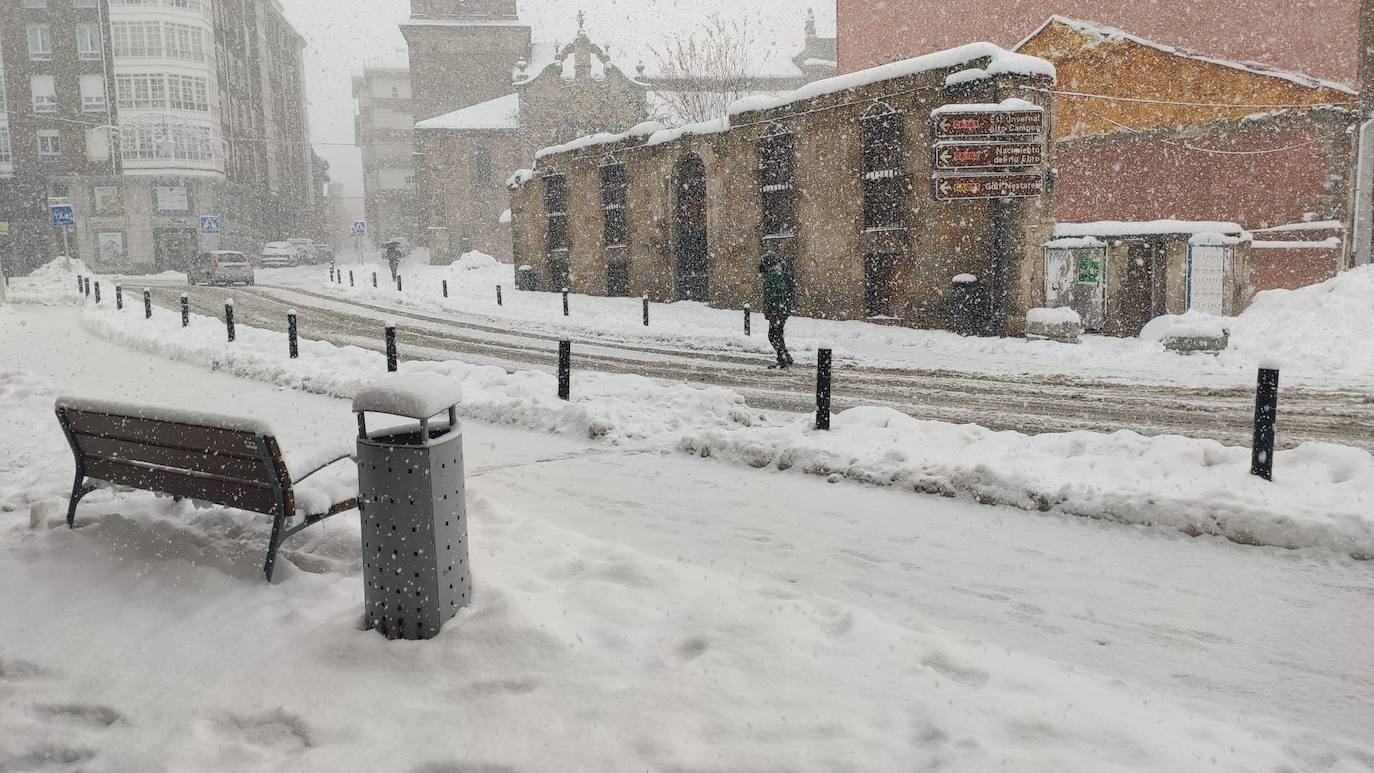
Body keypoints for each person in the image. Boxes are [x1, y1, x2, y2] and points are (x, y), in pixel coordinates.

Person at [759, 251, 795, 369]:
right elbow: (789, 291)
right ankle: (785, 357)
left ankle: (783, 358)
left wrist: (772, 310)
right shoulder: (780, 274)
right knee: (778, 334)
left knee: (773, 335)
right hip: (781, 310)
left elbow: (774, 295)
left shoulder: (773, 276)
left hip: (777, 310)